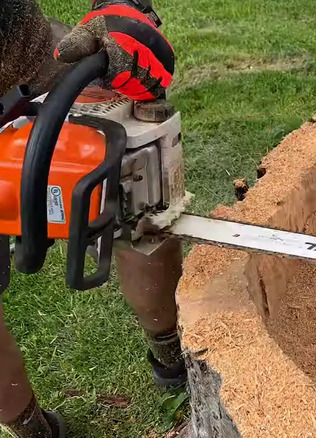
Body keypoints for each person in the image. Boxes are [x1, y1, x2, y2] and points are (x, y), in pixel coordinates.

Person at [0, 1, 183, 437]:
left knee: (137, 195)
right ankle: (29, 426)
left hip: (31, 53)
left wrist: (121, 8)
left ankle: (171, 352)